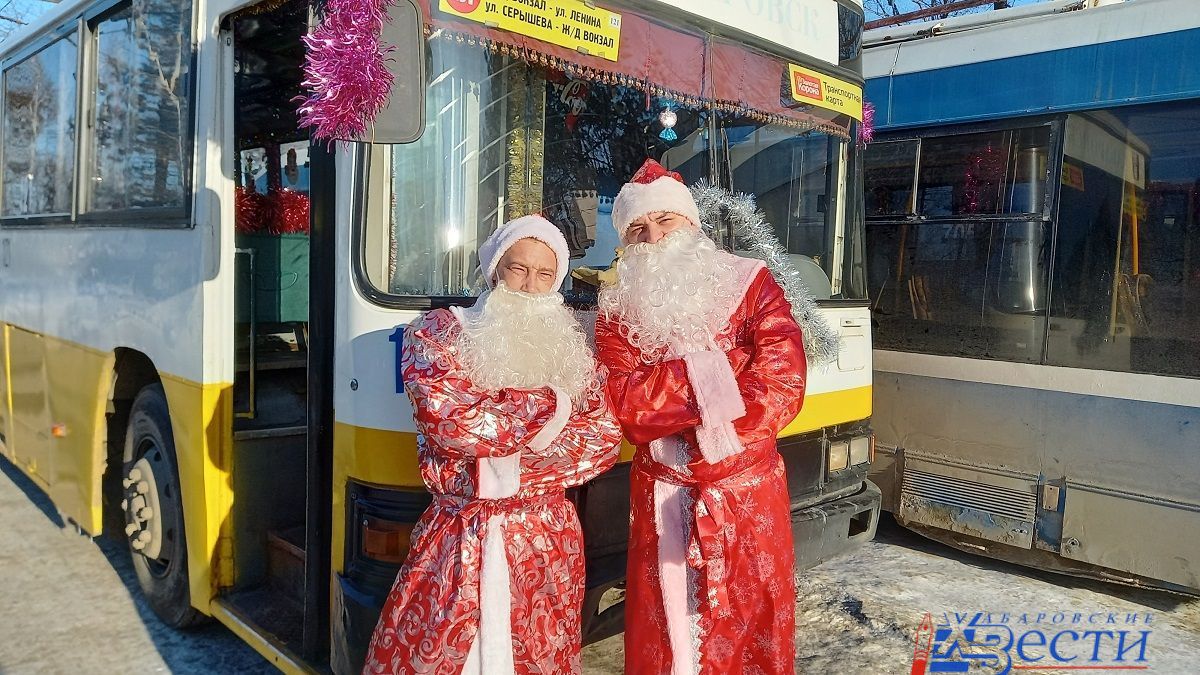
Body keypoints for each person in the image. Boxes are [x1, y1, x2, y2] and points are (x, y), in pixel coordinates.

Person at [363, 215, 622, 674]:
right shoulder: (439, 330)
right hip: (460, 533)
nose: (529, 286)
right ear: (495, 270)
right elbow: (450, 422)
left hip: (547, 543)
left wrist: (496, 448)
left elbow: (600, 442)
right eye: (518, 269)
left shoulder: (573, 347)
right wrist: (555, 407)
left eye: (545, 275)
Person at [595, 159, 807, 674]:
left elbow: (783, 379)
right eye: (639, 229)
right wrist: (719, 374)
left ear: (691, 224)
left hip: (744, 492)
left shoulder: (750, 282)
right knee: (669, 635)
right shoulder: (617, 307)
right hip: (662, 494)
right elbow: (626, 405)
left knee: (750, 625)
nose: (654, 236)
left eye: (665, 220)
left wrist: (714, 437)